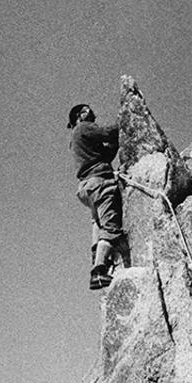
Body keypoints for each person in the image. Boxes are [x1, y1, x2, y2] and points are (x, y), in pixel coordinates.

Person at [68, 104, 127, 290]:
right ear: (80, 115)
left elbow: (105, 154)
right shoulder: (84, 127)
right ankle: (98, 271)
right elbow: (108, 132)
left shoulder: (77, 138)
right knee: (110, 226)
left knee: (98, 222)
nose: (92, 112)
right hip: (99, 182)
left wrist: (115, 144)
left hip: (87, 187)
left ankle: (97, 255)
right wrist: (125, 115)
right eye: (87, 110)